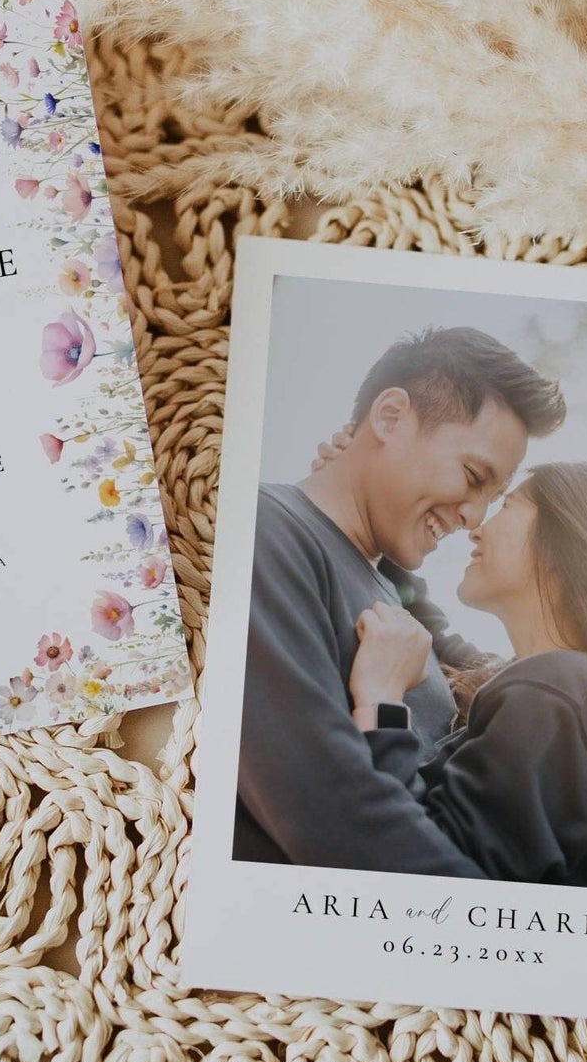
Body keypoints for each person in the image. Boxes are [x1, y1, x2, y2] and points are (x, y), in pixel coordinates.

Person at [232, 326, 566, 873]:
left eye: (495, 497)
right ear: (390, 417)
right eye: (473, 475)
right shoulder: (265, 533)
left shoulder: (394, 592)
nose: (474, 517)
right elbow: (324, 808)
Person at [352, 462, 587, 891]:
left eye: (508, 506)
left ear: (567, 541)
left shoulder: (559, 692)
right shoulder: (575, 690)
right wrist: (368, 511)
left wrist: (382, 702)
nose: (476, 528)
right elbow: (439, 637)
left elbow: (422, 875)